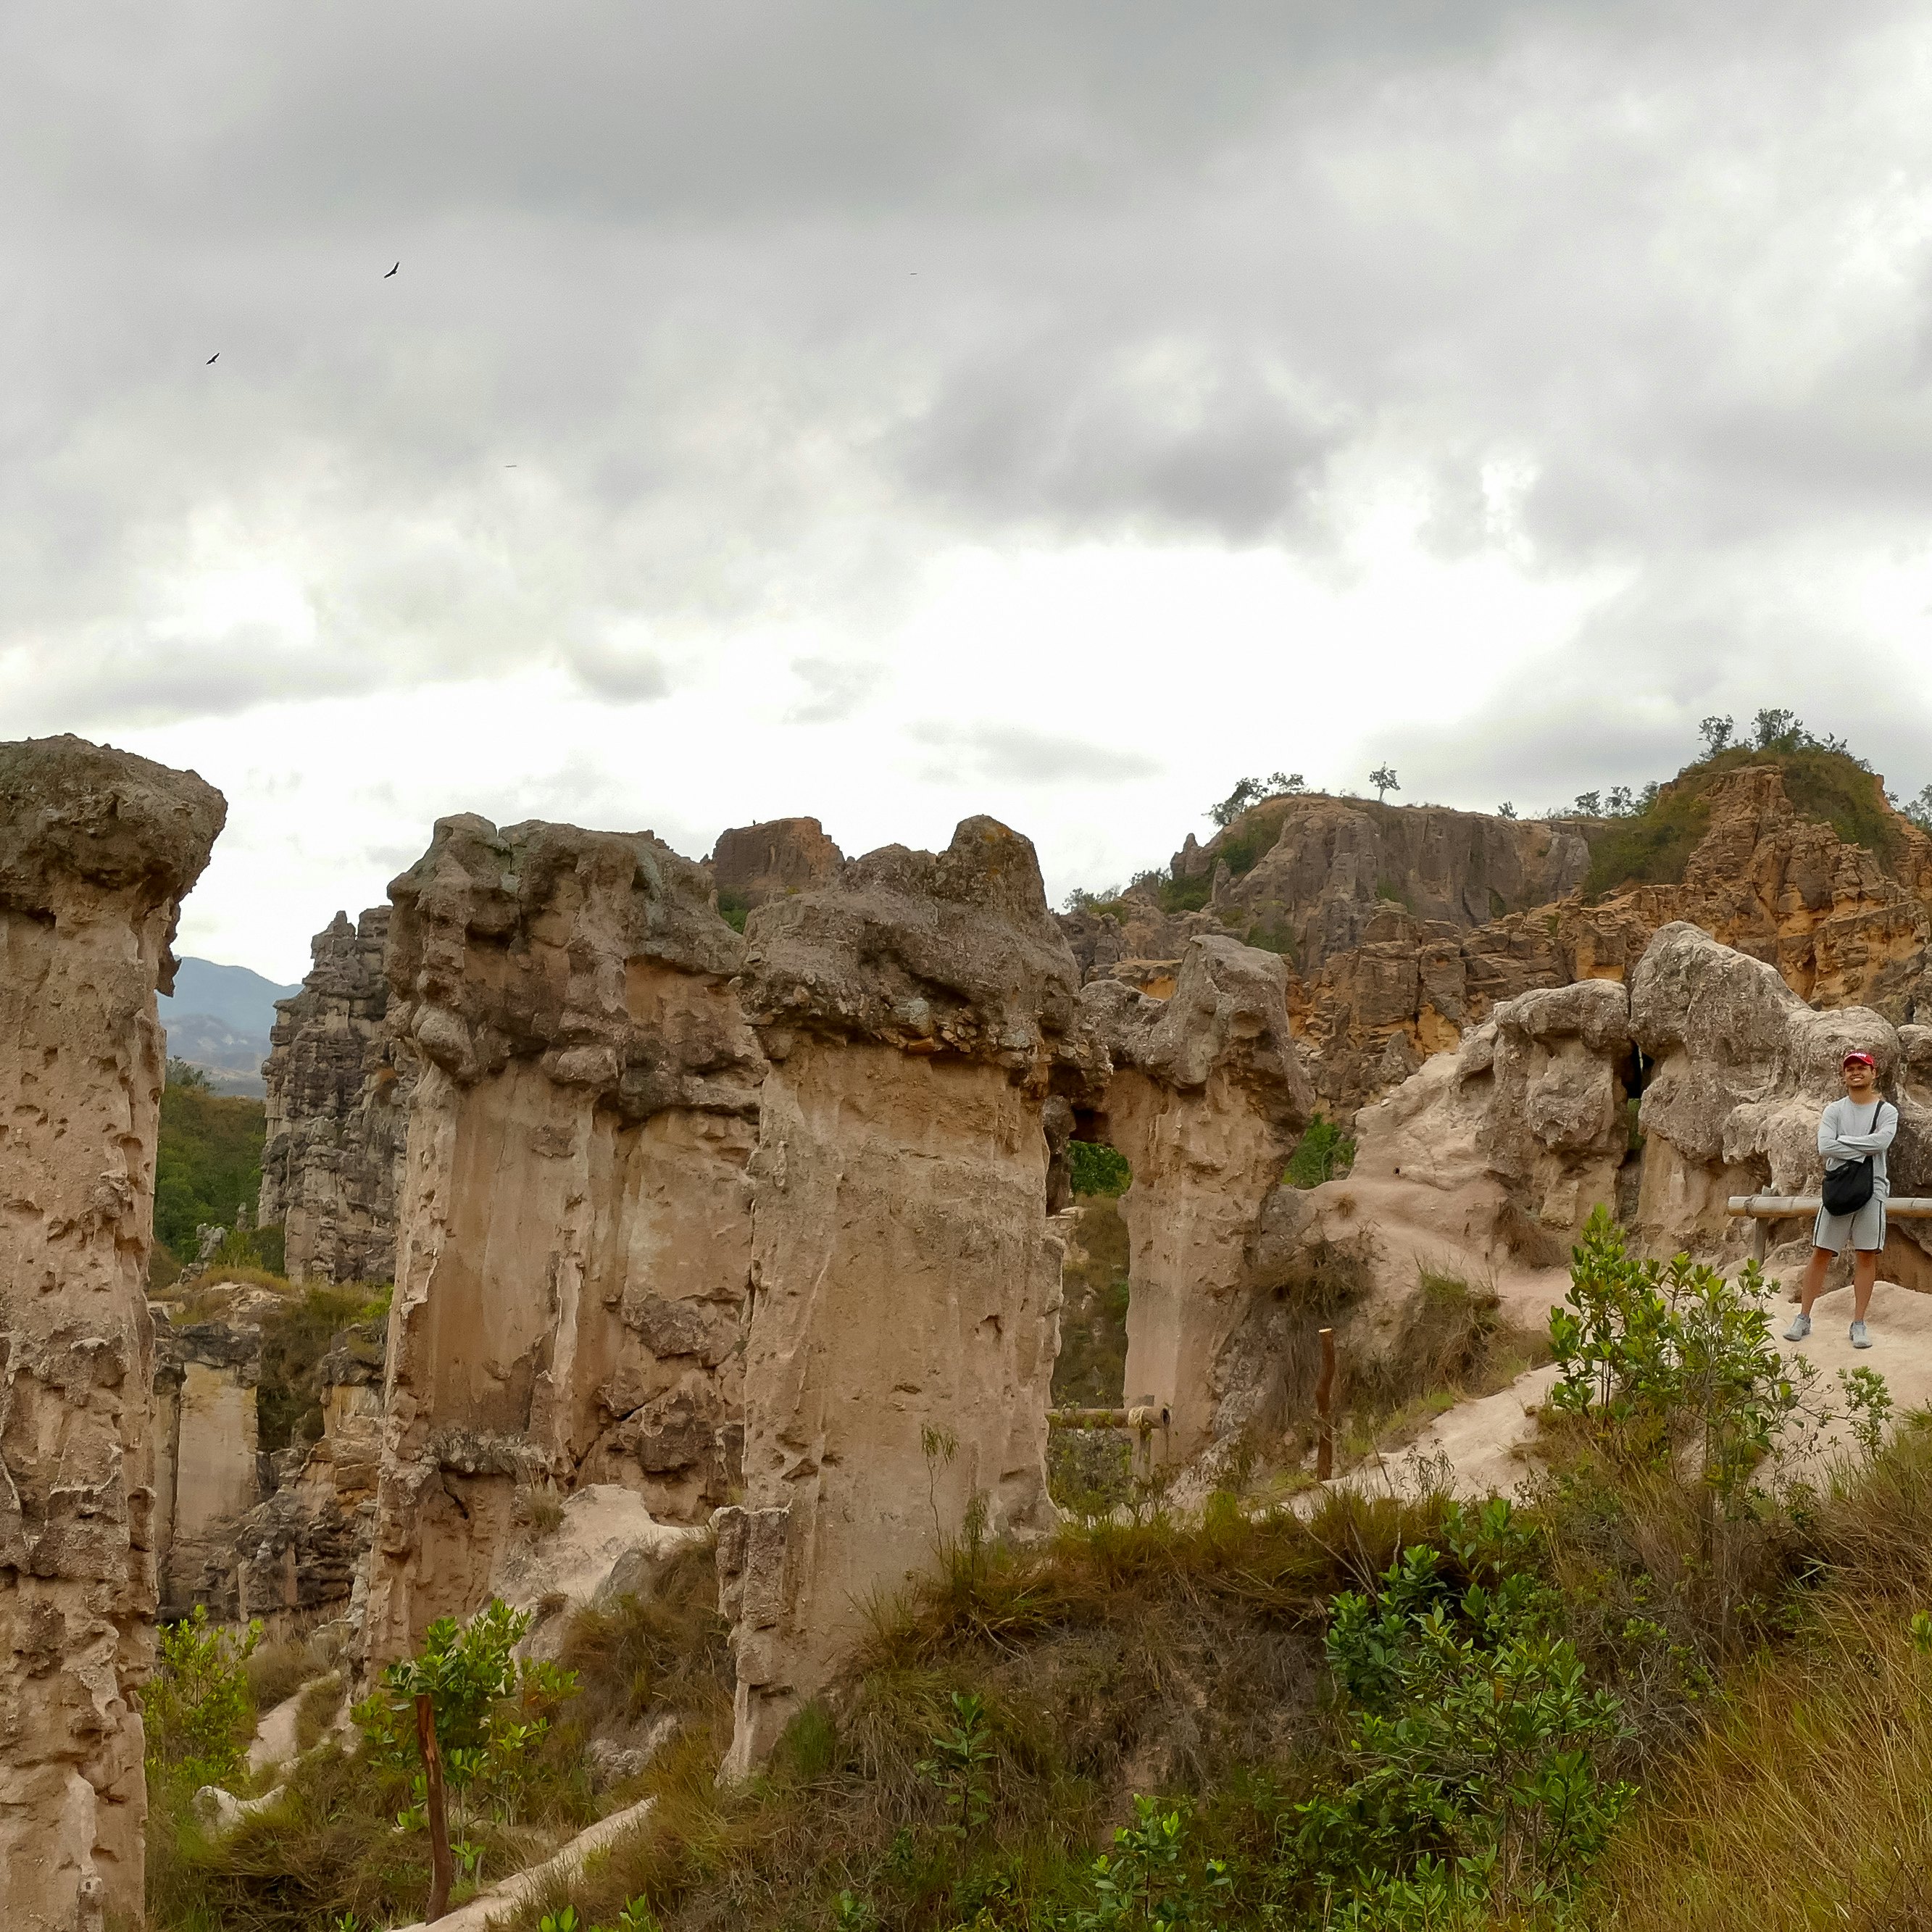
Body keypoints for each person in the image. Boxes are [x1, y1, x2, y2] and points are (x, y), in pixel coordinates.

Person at [1784, 1049, 1896, 1349]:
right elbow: (1825, 1147)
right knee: (1822, 1251)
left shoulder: (1885, 1111)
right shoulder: (1834, 1110)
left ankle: (1858, 1323)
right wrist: (1863, 1150)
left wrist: (1843, 1142)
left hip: (1872, 1189)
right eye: (1850, 1068)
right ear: (1843, 1075)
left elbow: (1882, 1142)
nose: (1855, 1072)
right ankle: (1803, 1317)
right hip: (1839, 1189)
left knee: (1866, 1254)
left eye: (1862, 1067)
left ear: (1874, 1073)